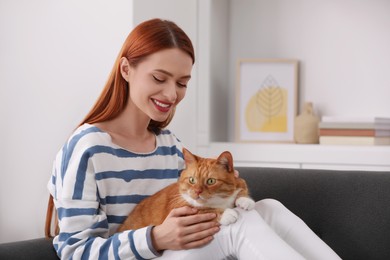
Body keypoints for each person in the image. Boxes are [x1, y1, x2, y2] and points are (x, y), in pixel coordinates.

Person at [46, 18, 341, 260]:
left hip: (176, 253)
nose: (172, 94)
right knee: (236, 228)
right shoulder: (87, 147)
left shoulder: (169, 145)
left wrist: (223, 190)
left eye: (182, 83)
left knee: (269, 208)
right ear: (126, 69)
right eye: (159, 79)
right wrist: (156, 237)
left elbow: (193, 207)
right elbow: (74, 251)